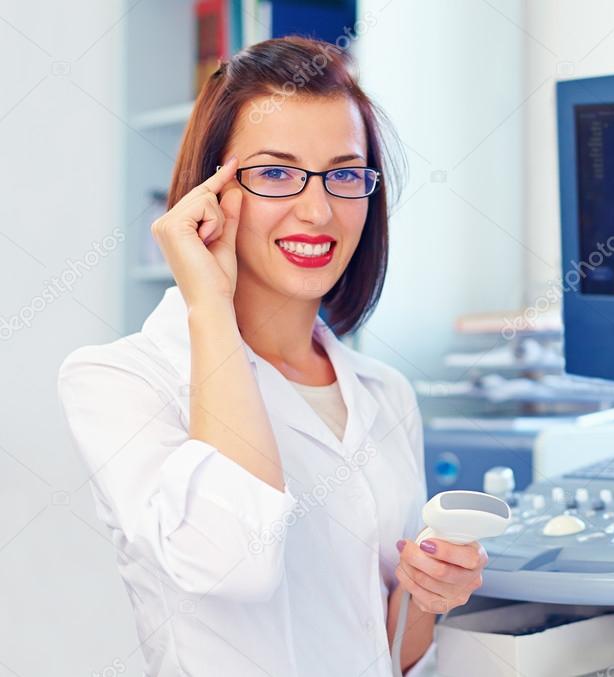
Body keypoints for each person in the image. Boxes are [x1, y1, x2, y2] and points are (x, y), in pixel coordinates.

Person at [56, 35, 485, 677]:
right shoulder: (118, 382)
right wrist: (208, 305)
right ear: (211, 190)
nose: (317, 211)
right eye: (276, 173)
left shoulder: (384, 391)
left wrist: (428, 595)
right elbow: (234, 563)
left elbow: (391, 653)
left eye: (343, 174)